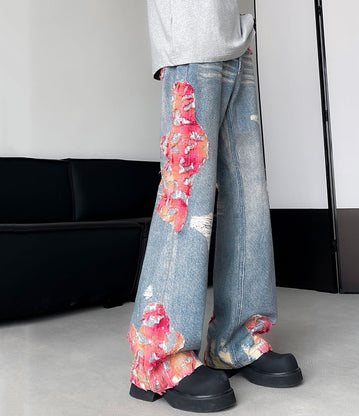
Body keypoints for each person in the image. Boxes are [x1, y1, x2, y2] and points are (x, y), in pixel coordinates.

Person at [127, 1, 303, 412]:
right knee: (186, 197)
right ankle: (160, 358)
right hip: (191, 36)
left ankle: (235, 341)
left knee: (249, 196)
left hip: (236, 36)